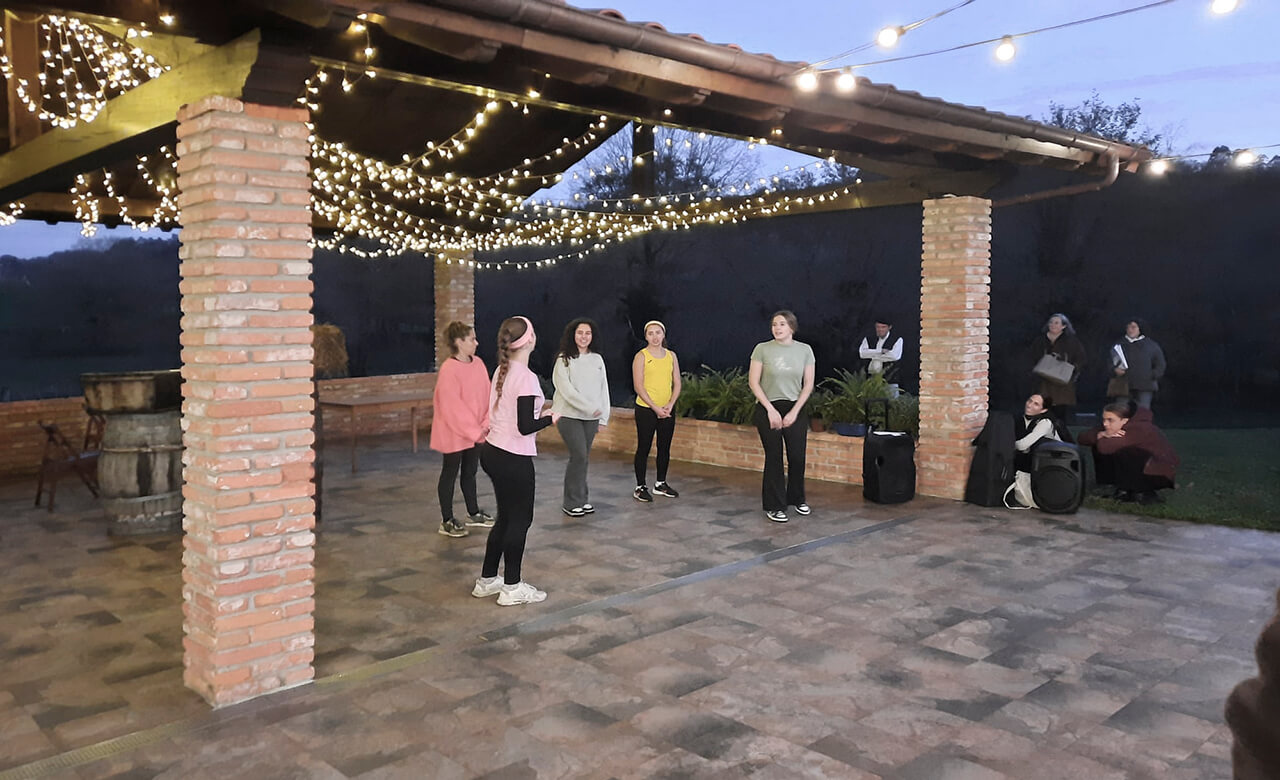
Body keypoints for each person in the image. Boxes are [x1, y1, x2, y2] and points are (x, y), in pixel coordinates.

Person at [472, 316, 557, 607]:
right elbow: (525, 426)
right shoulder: (526, 377)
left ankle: (487, 580)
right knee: (520, 520)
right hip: (512, 457)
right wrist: (550, 418)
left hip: (493, 451)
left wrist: (541, 416)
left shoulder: (503, 370)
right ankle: (512, 587)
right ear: (530, 340)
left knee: (506, 517)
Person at [748, 310, 816, 523]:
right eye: (774, 324)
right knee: (774, 457)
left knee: (797, 456)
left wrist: (794, 412)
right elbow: (753, 382)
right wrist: (770, 409)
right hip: (768, 407)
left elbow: (808, 385)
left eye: (782, 324)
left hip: (795, 407)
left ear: (792, 328)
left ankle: (797, 498)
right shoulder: (762, 349)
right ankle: (775, 505)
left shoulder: (805, 350)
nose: (777, 328)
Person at [430, 322, 496, 538]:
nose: (476, 343)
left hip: (477, 430)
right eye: (472, 339)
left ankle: (473, 512)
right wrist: (474, 430)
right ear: (459, 342)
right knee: (450, 472)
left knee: (470, 471)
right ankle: (447, 520)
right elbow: (452, 407)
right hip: (454, 432)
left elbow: (488, 395)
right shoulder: (449, 370)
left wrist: (485, 423)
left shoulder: (478, 364)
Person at [551, 318, 610, 517]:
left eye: (587, 333)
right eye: (580, 333)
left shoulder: (597, 359)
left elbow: (603, 389)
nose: (584, 337)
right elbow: (566, 391)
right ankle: (571, 502)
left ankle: (582, 499)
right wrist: (590, 408)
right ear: (572, 335)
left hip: (591, 418)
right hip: (568, 415)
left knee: (583, 458)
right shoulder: (564, 359)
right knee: (579, 455)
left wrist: (603, 417)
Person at [1078, 400, 1179, 505]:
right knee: (1101, 443)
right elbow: (1082, 438)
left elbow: (1104, 447)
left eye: (1110, 420)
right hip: (1146, 468)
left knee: (1125, 450)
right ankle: (1115, 486)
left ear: (1124, 420)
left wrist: (1104, 437)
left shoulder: (1140, 428)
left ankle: (1140, 491)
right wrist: (1099, 434)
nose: (1105, 424)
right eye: (1104, 420)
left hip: (1157, 473)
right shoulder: (1114, 424)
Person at [631, 320, 681, 502]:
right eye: (650, 333)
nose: (655, 337)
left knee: (664, 447)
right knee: (644, 447)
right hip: (646, 409)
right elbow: (638, 386)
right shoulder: (641, 356)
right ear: (646, 336)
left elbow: (677, 382)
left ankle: (661, 483)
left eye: (658, 332)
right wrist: (655, 407)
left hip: (667, 410)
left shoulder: (671, 356)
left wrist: (670, 404)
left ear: (663, 334)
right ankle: (640, 486)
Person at [1004, 393, 1071, 509]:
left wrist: (1006, 445)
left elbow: (1022, 445)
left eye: (1036, 404)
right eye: (1030, 401)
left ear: (1043, 410)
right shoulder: (1020, 419)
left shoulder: (1045, 423)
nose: (1029, 405)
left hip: (1052, 462)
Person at [1033, 313, 1087, 425]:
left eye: (1056, 323)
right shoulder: (1040, 340)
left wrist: (1072, 369)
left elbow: (1081, 358)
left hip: (1062, 381)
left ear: (1064, 326)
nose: (1053, 325)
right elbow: (1032, 357)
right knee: (1044, 410)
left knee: (1060, 412)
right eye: (1051, 322)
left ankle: (1060, 432)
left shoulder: (1072, 341)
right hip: (1044, 380)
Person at [1111, 318, 1166, 410]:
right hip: (1124, 384)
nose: (1130, 330)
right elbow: (1111, 361)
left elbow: (1160, 364)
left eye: (1133, 327)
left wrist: (1152, 375)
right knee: (1120, 410)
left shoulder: (1151, 345)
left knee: (1143, 411)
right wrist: (1114, 370)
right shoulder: (1119, 344)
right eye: (1128, 327)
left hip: (1145, 385)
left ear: (1140, 329)